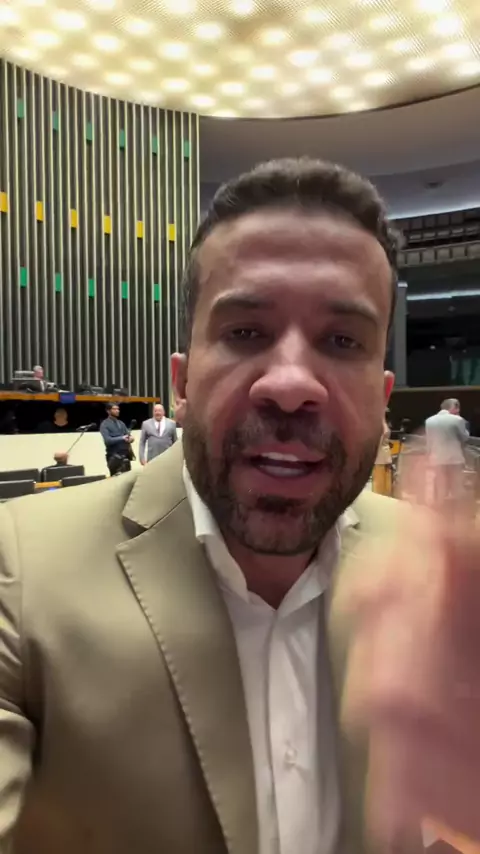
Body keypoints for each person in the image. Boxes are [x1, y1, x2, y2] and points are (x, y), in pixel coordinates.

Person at [0, 158, 479, 854]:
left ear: (383, 401)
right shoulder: (17, 570)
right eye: (246, 332)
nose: (290, 384)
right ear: (182, 383)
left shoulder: (445, 585)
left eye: (341, 340)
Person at [425, 398, 469, 502]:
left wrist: (428, 457)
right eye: (457, 408)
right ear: (453, 407)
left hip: (437, 458)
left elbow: (429, 442)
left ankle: (439, 507)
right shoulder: (458, 420)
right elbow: (465, 437)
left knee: (440, 485)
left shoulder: (429, 421)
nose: (458, 411)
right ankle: (457, 509)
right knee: (456, 485)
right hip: (454, 459)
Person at [99, 402, 134, 476]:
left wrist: (131, 439)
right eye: (114, 409)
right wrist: (122, 438)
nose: (117, 411)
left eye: (118, 409)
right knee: (116, 479)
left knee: (128, 479)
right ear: (108, 411)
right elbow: (108, 440)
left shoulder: (121, 423)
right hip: (114, 457)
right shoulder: (104, 424)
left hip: (125, 456)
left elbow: (128, 435)